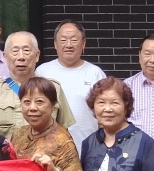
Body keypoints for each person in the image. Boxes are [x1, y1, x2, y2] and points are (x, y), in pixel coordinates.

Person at [0, 31, 73, 139]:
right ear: (5, 56)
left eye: (26, 50)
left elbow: (64, 132)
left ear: (37, 55)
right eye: (15, 51)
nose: (21, 57)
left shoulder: (53, 88)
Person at [37, 20, 106, 149]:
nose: (68, 45)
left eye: (74, 40)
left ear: (83, 43)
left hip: (90, 147)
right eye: (63, 40)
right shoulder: (42, 72)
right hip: (50, 148)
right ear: (55, 44)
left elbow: (104, 112)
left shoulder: (95, 73)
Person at [10, 75, 84, 171]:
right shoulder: (19, 134)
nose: (32, 108)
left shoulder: (62, 140)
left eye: (39, 102)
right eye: (27, 102)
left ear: (53, 105)